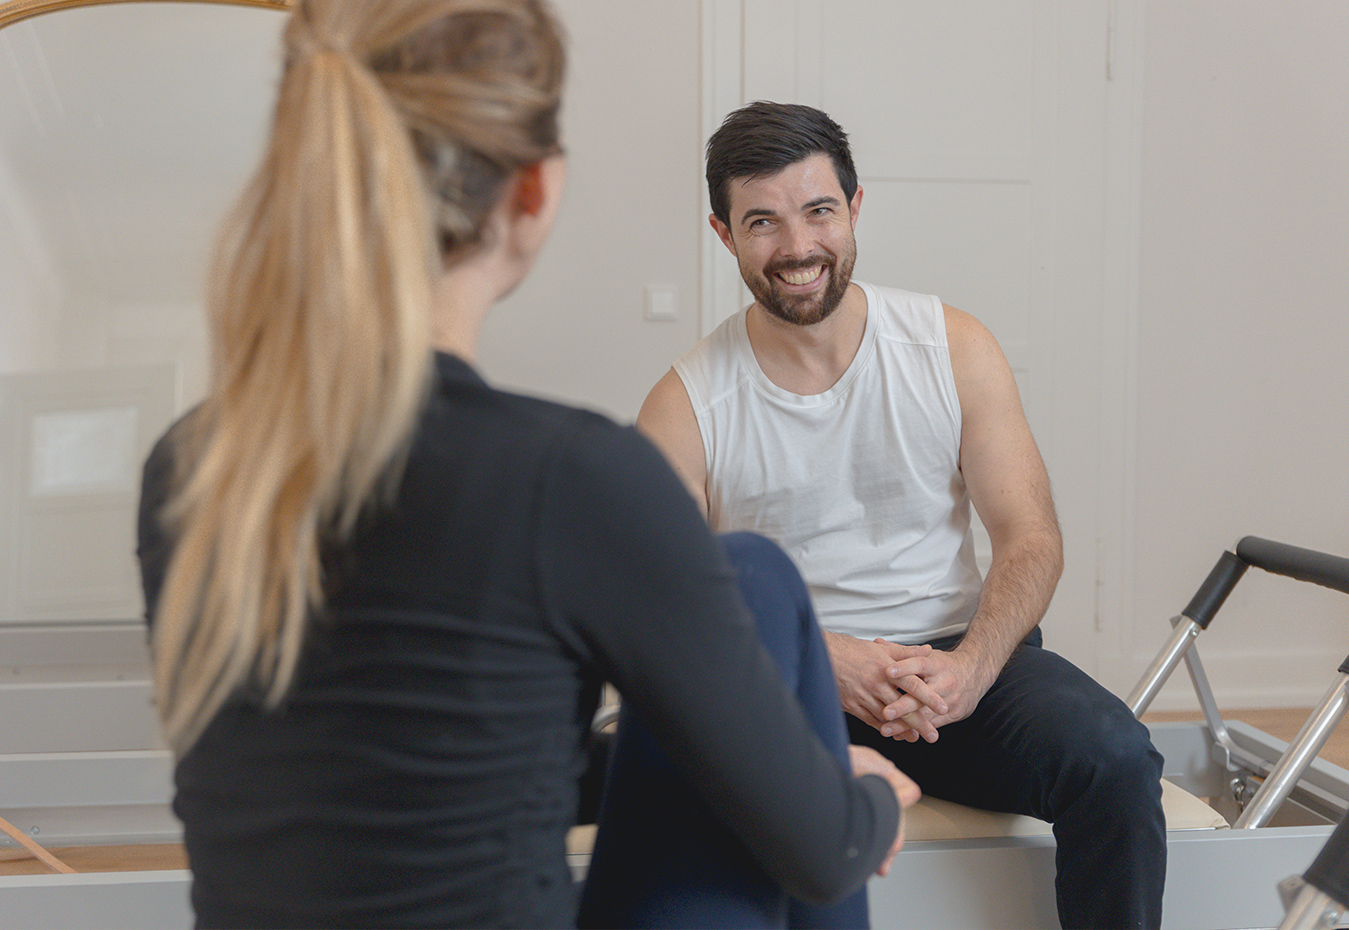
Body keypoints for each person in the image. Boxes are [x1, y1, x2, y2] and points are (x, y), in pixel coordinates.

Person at [135, 11, 917, 928]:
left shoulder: (192, 468)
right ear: (534, 191)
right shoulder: (571, 477)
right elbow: (825, 857)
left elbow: (407, 773)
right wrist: (852, 791)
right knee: (755, 584)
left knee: (746, 594)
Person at [637, 101, 1167, 930]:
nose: (797, 247)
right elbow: (665, 603)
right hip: (791, 682)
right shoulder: (684, 405)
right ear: (723, 234)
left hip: (958, 660)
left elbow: (1030, 539)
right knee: (661, 782)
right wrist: (827, 658)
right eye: (762, 222)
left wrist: (971, 670)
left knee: (1115, 759)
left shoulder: (951, 346)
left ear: (853, 207)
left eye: (817, 211)